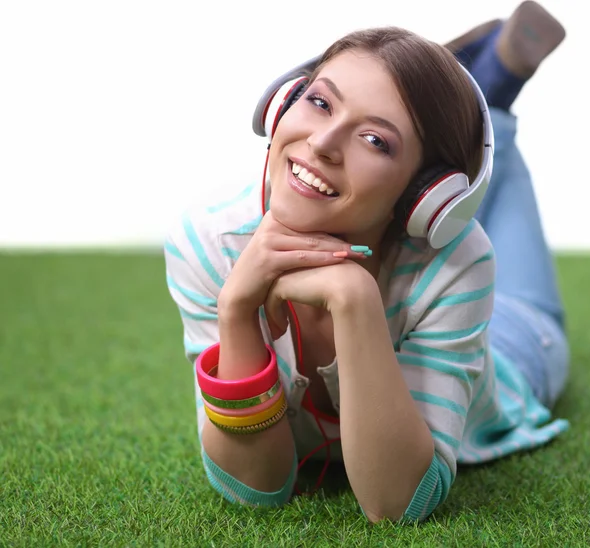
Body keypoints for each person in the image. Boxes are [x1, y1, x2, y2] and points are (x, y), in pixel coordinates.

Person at [164, 2, 569, 523]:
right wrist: (237, 313)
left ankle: (498, 102)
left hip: (517, 343)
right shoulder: (211, 240)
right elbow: (255, 490)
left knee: (525, 275)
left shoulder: (460, 262)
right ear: (282, 102)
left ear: (426, 196)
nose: (322, 143)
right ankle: (473, 84)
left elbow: (399, 504)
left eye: (375, 140)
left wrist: (356, 300)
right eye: (320, 103)